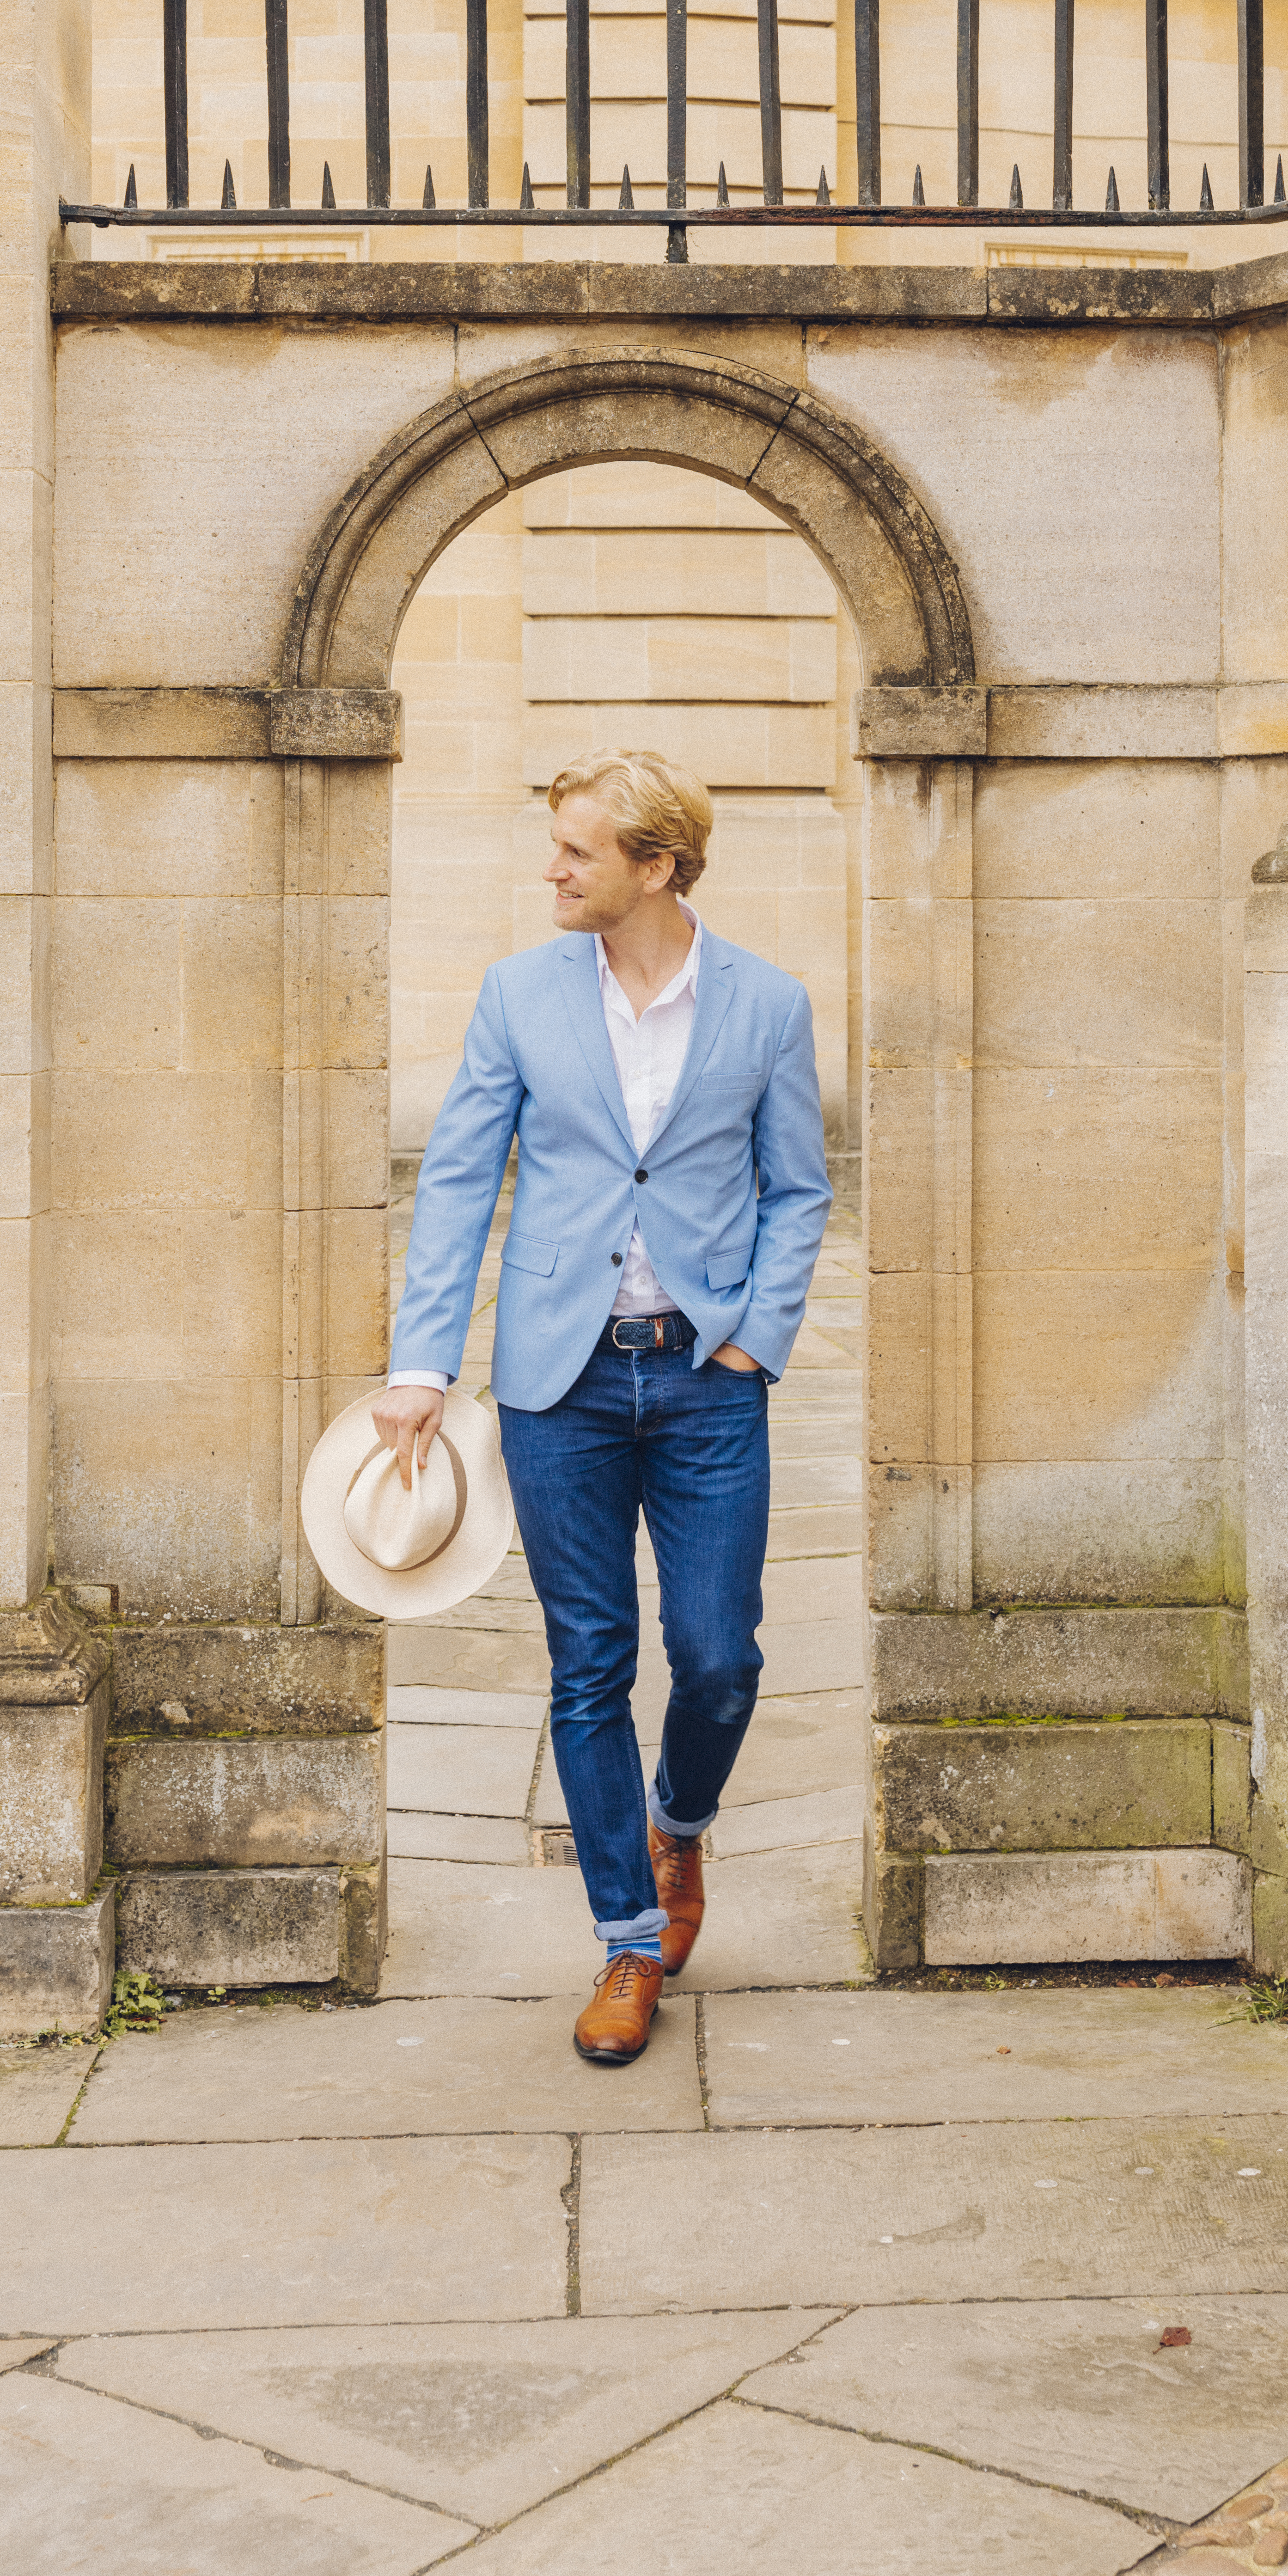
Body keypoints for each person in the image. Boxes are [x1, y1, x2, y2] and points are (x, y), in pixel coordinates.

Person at [375, 750, 831, 2065]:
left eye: (577, 852)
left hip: (704, 1380)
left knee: (720, 1657)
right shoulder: (520, 994)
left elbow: (798, 1186)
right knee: (591, 1666)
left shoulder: (768, 1006)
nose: (552, 870)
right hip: (557, 1383)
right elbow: (461, 1179)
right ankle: (630, 1940)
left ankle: (678, 1824)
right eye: (556, 846)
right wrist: (423, 1365)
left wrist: (756, 1333)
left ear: (657, 866)